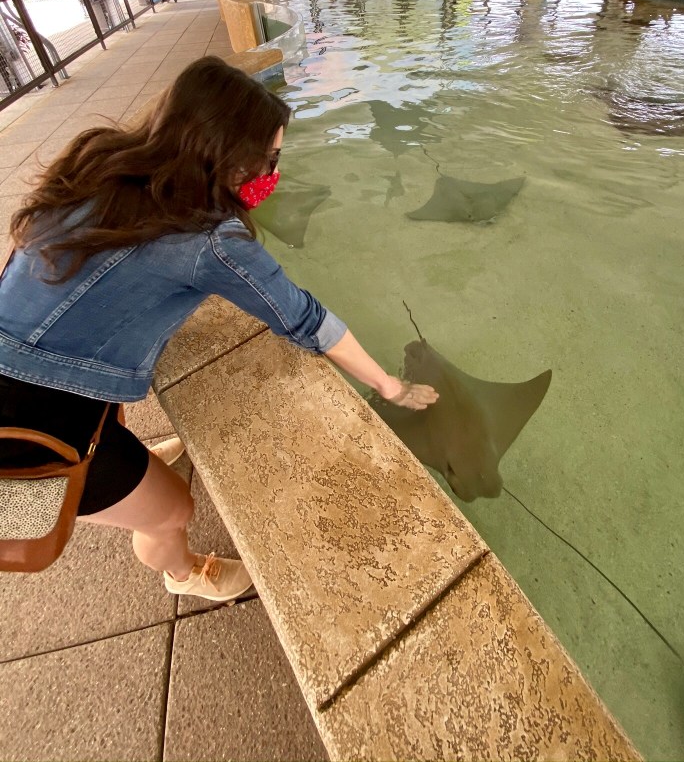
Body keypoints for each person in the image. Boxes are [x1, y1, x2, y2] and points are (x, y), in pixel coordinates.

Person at [0, 58, 438, 601]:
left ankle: (122, 458)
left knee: (120, 453)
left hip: (29, 375)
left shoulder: (102, 160)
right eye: (269, 158)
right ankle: (182, 573)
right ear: (229, 158)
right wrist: (391, 387)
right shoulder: (207, 239)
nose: (273, 171)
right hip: (27, 437)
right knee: (170, 513)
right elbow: (304, 318)